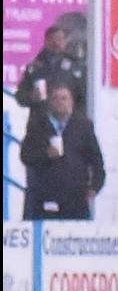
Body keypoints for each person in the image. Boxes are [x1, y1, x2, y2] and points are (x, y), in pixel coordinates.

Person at [19, 82, 105, 220]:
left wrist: (95, 187)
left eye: (64, 98)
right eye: (55, 98)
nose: (59, 102)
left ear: (71, 102)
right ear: (49, 102)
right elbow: (25, 156)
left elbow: (97, 162)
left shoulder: (83, 126)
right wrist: (46, 154)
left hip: (75, 203)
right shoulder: (37, 125)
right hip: (43, 201)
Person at [15, 24, 87, 114]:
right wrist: (31, 96)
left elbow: (85, 97)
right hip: (40, 122)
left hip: (69, 122)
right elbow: (20, 96)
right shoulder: (33, 68)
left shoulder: (75, 67)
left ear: (65, 41)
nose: (56, 43)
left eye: (59, 39)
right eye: (52, 39)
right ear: (45, 42)